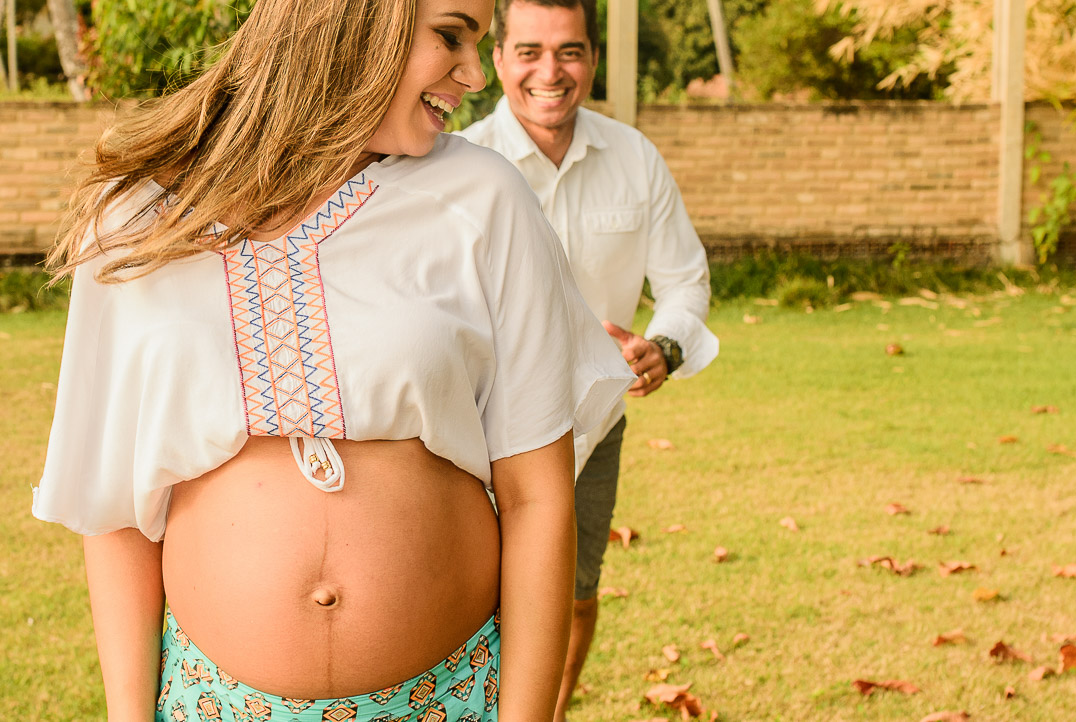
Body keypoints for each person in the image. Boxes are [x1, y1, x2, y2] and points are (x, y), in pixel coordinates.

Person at [32, 0, 635, 719]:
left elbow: (538, 499)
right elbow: (116, 506)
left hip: (452, 695)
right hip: (211, 704)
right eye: (450, 35)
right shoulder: (139, 214)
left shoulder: (485, 199)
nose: (474, 74)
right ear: (352, 17)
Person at [458, 1, 719, 717]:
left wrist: (660, 347)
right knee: (474, 593)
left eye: (570, 51)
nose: (551, 71)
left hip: (594, 426)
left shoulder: (634, 157)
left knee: (574, 590)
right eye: (531, 51)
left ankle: (549, 711)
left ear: (593, 60)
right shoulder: (462, 166)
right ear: (499, 58)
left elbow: (685, 281)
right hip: (481, 433)